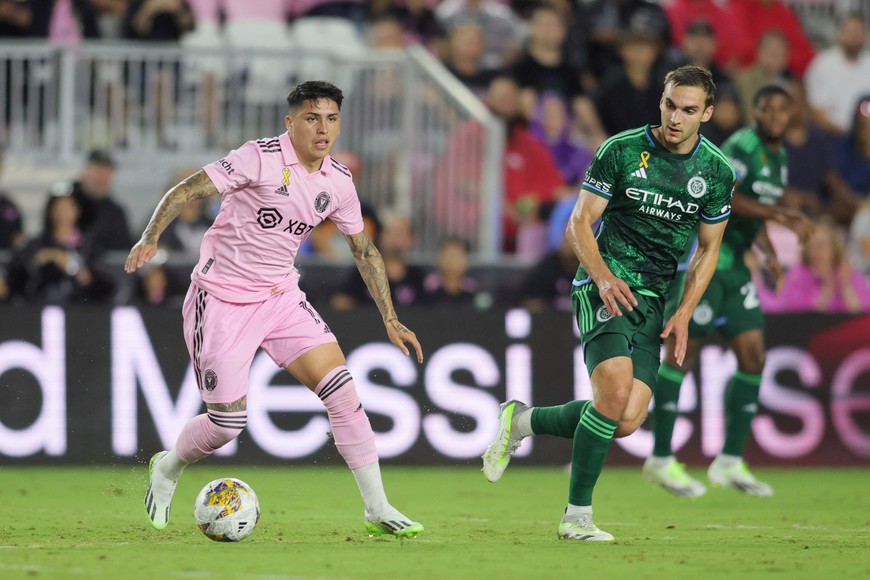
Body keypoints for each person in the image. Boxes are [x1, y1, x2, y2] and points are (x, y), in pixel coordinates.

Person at [125, 80, 425, 538]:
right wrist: (150, 236)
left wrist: (389, 316)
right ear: (291, 122)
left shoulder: (338, 182)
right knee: (227, 423)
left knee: (343, 391)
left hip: (281, 297)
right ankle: (168, 468)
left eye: (331, 119)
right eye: (312, 118)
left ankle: (377, 507)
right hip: (222, 298)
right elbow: (185, 190)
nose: (323, 129)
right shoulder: (258, 157)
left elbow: (363, 250)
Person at [481, 65, 735, 541]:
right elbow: (578, 223)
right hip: (605, 284)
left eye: (688, 110)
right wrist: (600, 277)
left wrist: (683, 311)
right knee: (614, 391)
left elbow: (709, 250)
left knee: (625, 420)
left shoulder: (717, 172)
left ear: (707, 113)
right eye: (669, 105)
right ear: (660, 101)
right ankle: (576, 517)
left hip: (656, 298)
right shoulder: (620, 151)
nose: (675, 118)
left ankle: (522, 420)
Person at [642, 84, 815, 498]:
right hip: (705, 263)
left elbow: (748, 218)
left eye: (781, 108)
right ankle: (661, 459)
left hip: (736, 268)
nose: (774, 114)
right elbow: (729, 197)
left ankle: (730, 462)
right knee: (683, 355)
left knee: (753, 356)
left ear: (791, 115)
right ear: (754, 110)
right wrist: (783, 215)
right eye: (766, 106)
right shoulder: (742, 145)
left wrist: (768, 250)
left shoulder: (779, 155)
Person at [775, 218, 870, 313]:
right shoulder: (797, 274)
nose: (815, 252)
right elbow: (802, 315)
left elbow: (861, 313)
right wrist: (827, 288)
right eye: (810, 246)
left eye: (820, 245)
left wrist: (846, 286)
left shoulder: (848, 273)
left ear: (834, 248)